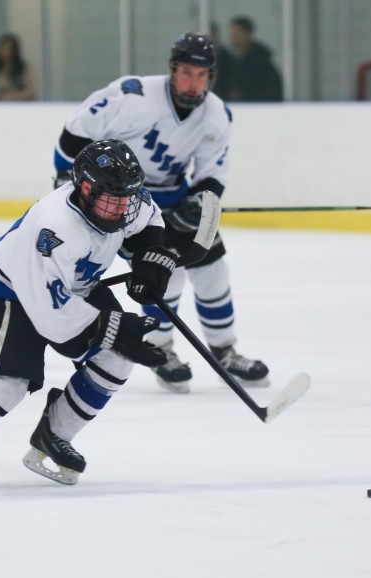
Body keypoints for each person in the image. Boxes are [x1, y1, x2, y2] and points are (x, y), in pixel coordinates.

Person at [0, 140, 178, 492]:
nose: (122, 208)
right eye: (113, 199)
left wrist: (150, 256)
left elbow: (149, 221)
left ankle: (54, 435)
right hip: (13, 289)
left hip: (76, 286)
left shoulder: (124, 200)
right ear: (86, 189)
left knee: (118, 358)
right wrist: (112, 326)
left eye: (128, 198)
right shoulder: (56, 228)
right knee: (6, 386)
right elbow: (53, 318)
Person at [53, 33, 270, 394]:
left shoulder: (216, 113)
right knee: (162, 274)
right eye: (187, 72)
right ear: (172, 70)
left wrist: (200, 204)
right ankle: (164, 349)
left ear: (211, 77)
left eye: (202, 75)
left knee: (213, 270)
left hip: (174, 194)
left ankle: (225, 352)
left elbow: (213, 173)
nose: (193, 83)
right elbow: (73, 137)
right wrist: (66, 184)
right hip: (125, 202)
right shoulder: (131, 96)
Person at [219, 16, 283, 102]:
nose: (233, 37)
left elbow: (271, 92)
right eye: (232, 34)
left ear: (248, 34)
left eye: (237, 34)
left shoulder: (262, 64)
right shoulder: (229, 62)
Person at [0, 33, 37, 101]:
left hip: (20, 106)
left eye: (10, 49)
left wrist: (16, 95)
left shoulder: (24, 69)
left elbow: (31, 92)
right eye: (4, 48)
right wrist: (1, 92)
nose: (7, 52)